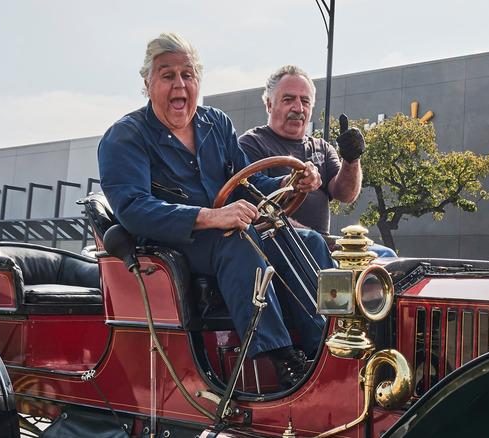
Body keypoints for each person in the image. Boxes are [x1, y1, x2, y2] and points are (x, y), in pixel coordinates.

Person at [97, 33, 331, 391]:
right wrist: (210, 216)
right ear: (147, 84)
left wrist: (291, 182)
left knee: (307, 240)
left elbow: (246, 188)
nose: (180, 85)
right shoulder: (125, 136)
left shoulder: (217, 124)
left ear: (198, 82)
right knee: (237, 239)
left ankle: (325, 351)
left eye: (188, 75)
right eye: (167, 75)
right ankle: (283, 361)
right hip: (172, 245)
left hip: (228, 233)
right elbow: (133, 209)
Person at [239, 65, 397, 257]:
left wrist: (351, 159)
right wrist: (293, 185)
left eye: (305, 101)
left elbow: (346, 195)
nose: (298, 108)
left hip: (325, 244)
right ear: (269, 104)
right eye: (288, 100)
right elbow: (252, 203)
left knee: (386, 257)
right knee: (316, 245)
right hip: (275, 243)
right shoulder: (251, 143)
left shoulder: (322, 147)